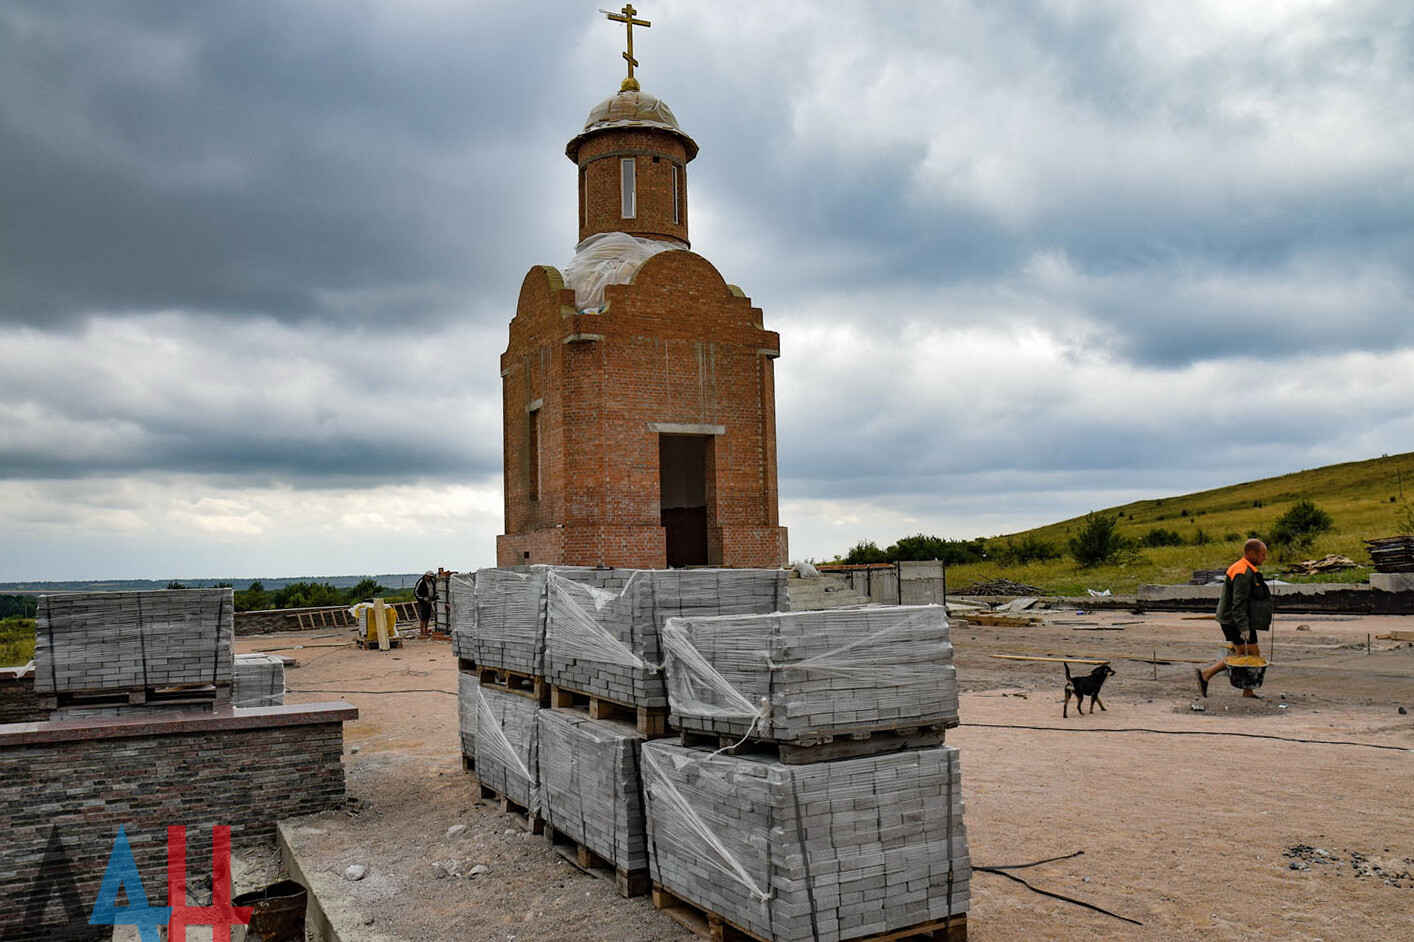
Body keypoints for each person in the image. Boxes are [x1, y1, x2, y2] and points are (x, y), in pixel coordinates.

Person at [1196, 539, 1272, 699]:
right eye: (1262, 554)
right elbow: (1238, 603)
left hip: (1236, 619)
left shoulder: (1244, 568)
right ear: (1252, 553)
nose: (1264, 558)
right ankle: (1207, 675)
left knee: (1247, 652)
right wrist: (1243, 628)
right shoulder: (1242, 572)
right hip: (1235, 620)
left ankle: (1244, 690)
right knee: (1248, 654)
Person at [414, 571, 438, 638]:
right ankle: (421, 632)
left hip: (429, 601)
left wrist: (434, 596)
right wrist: (422, 598)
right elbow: (416, 592)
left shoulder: (431, 582)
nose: (430, 578)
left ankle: (426, 630)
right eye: (429, 577)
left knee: (427, 616)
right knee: (423, 617)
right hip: (423, 602)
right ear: (426, 576)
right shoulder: (421, 582)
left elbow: (433, 589)